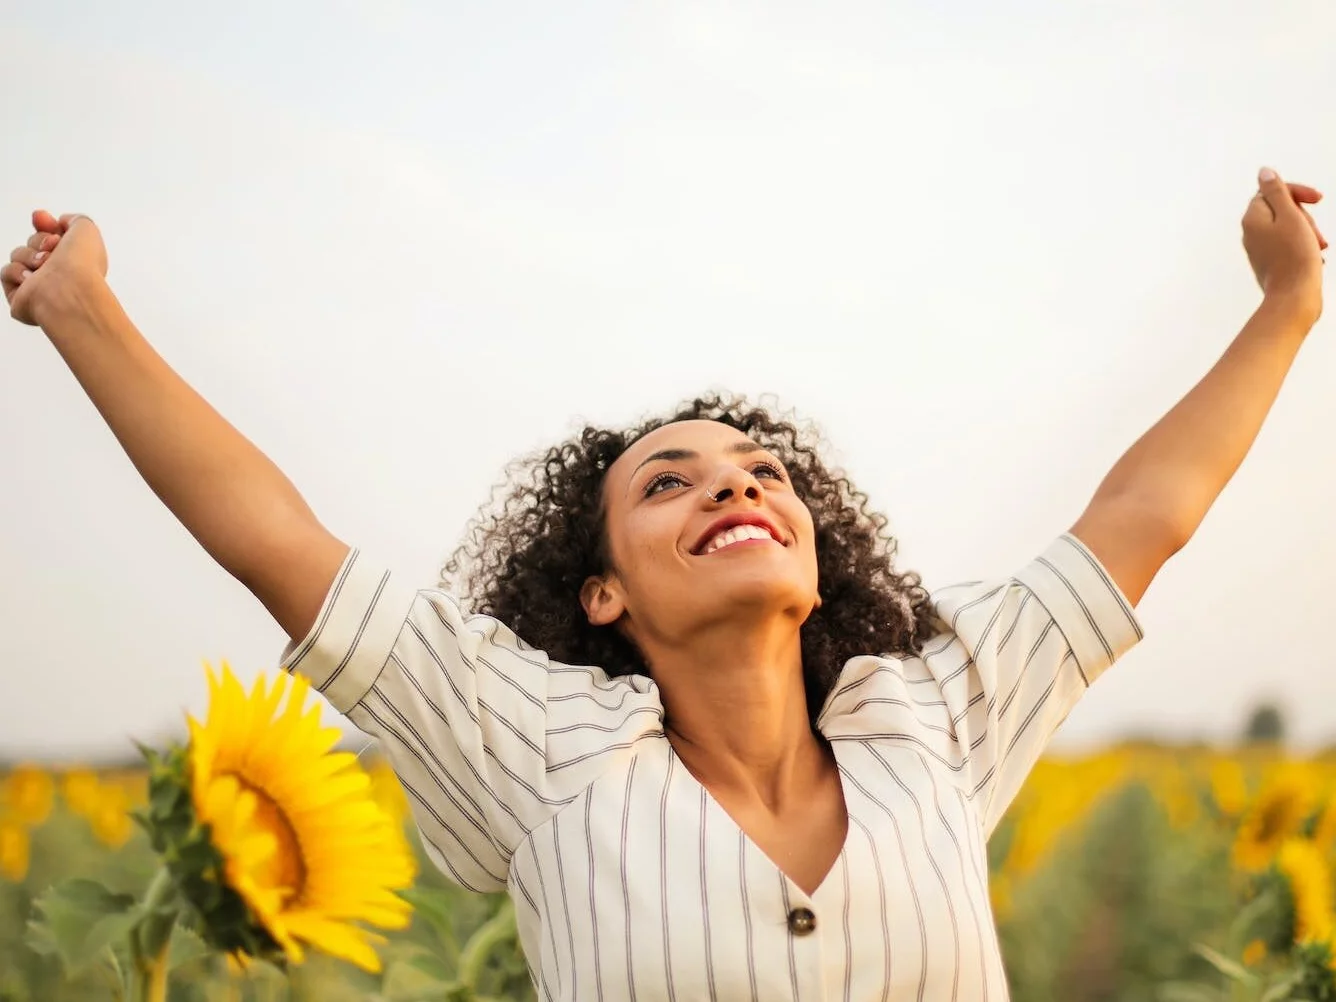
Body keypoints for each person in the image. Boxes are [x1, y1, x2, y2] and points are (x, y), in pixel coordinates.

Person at [3, 167, 1326, 1000]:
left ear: (815, 565)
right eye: (668, 483)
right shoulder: (536, 750)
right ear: (601, 595)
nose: (734, 487)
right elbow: (277, 543)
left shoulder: (932, 712)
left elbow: (1144, 516)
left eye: (760, 472)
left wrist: (1286, 307)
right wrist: (85, 310)